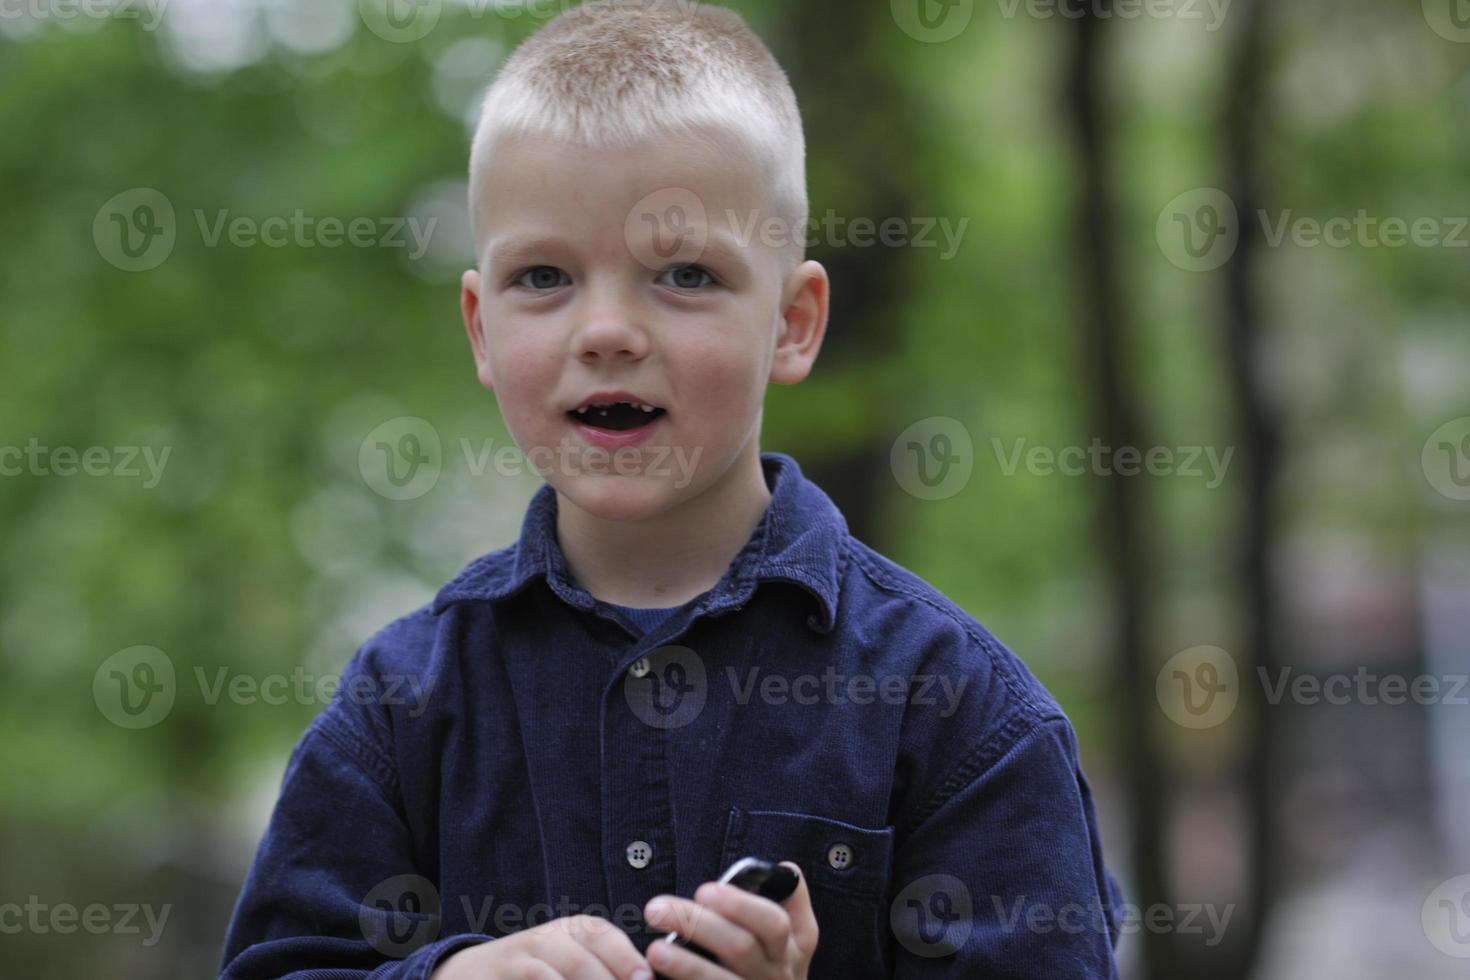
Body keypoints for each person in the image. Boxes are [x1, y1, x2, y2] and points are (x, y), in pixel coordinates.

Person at [219, 2, 1123, 977]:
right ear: (481, 328)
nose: (606, 328)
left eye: (684, 272)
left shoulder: (958, 714)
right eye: (546, 275)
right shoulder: (401, 708)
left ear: (792, 322)